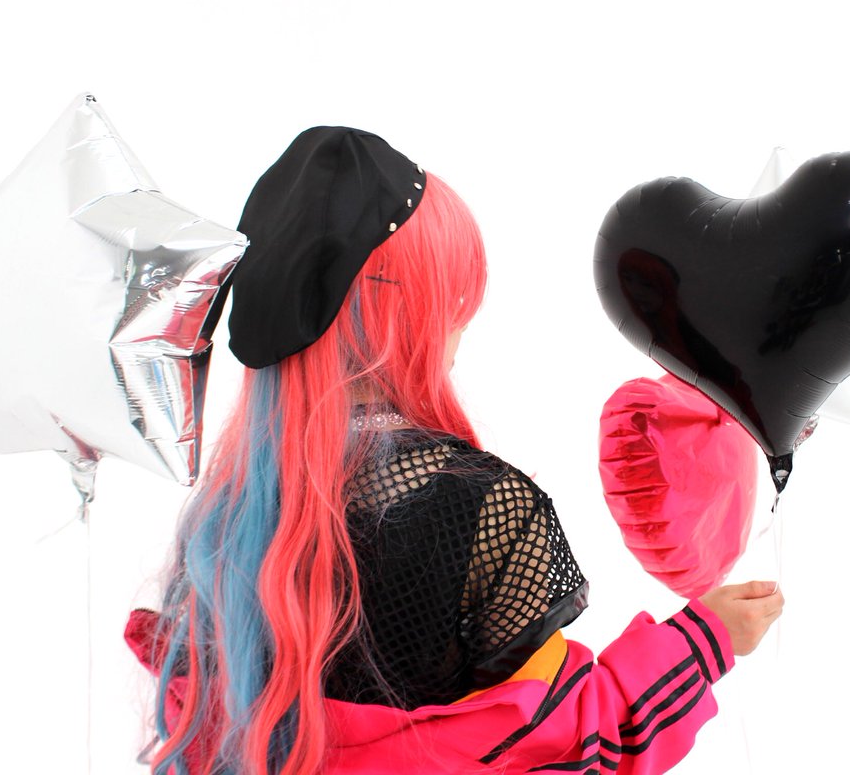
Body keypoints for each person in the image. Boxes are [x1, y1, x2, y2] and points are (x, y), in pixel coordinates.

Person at [125, 127, 784, 775]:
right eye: (451, 297)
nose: (461, 322)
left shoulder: (223, 520)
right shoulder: (480, 509)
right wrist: (706, 641)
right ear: (397, 310)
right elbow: (579, 740)